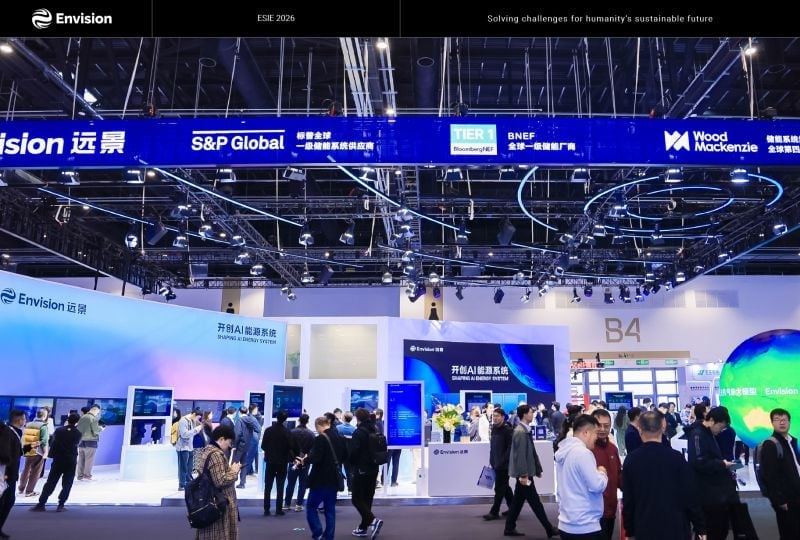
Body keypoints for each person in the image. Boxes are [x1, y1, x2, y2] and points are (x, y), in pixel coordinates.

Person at [622, 410, 707, 540]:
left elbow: (628, 500)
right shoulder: (676, 458)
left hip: (644, 527)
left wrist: (629, 531)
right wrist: (700, 526)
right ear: (663, 427)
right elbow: (690, 495)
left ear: (639, 429)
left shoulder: (631, 460)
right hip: (676, 527)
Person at [504, 404, 559, 538]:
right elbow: (520, 455)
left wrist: (535, 469)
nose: (532, 414)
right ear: (524, 414)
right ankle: (548, 528)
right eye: (530, 412)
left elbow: (529, 453)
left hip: (526, 473)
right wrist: (524, 475)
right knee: (535, 503)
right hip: (525, 475)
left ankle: (509, 527)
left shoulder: (523, 430)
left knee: (517, 502)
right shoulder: (520, 432)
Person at [687, 406, 737, 540]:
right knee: (709, 530)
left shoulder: (706, 433)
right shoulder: (698, 434)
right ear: (712, 420)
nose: (720, 431)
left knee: (720, 529)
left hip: (714, 491)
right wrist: (721, 464)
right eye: (720, 427)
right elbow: (698, 462)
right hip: (706, 493)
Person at [555, 414, 608, 539]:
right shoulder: (583, 453)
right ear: (586, 433)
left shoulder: (564, 451)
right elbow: (597, 486)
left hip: (566, 522)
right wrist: (602, 473)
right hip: (585, 525)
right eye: (595, 433)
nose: (597, 437)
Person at [299, 416, 347, 540]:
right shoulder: (340, 437)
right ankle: (329, 536)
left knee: (311, 507)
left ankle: (317, 531)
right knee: (330, 510)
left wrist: (305, 460)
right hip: (334, 479)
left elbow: (316, 458)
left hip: (320, 479)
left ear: (319, 426)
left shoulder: (321, 438)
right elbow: (345, 456)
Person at [759, 408, 800, 539]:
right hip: (786, 498)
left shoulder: (792, 441)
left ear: (789, 422)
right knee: (789, 533)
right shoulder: (771, 444)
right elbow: (770, 475)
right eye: (777, 420)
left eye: (784, 420)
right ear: (772, 423)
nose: (781, 423)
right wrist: (779, 500)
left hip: (797, 494)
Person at [195, 424, 242, 540]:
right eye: (228, 442)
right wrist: (234, 471)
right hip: (218, 502)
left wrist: (229, 470)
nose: (229, 446)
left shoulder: (207, 450)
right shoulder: (216, 454)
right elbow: (220, 481)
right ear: (221, 439)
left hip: (208, 500)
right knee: (219, 534)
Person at [31, 412, 82, 512]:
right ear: (77, 422)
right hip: (70, 460)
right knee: (67, 483)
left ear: (68, 419)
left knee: (51, 481)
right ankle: (61, 505)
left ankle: (41, 504)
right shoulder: (78, 433)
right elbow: (75, 444)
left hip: (58, 459)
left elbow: (54, 443)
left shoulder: (59, 430)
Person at [0, 410, 39, 539]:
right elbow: (5, 454)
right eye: (24, 418)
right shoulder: (8, 432)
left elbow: (16, 452)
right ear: (20, 419)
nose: (25, 421)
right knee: (6, 501)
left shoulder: (14, 432)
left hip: (10, 474)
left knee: (8, 501)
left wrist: (30, 447)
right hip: (6, 474)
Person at [349, 408, 383, 538]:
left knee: (356, 498)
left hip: (361, 469)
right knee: (367, 498)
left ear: (357, 418)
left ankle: (374, 521)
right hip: (373, 468)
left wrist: (351, 463)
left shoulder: (358, 432)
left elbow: (354, 452)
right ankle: (363, 528)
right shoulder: (374, 428)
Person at [261, 410, 293, 515]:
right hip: (283, 462)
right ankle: (279, 509)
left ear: (276, 418)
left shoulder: (268, 430)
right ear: (285, 419)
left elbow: (263, 446)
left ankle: (266, 509)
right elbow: (290, 447)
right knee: (280, 486)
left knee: (268, 486)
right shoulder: (288, 432)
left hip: (270, 462)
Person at [484, 407, 514, 521]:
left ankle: (494, 511)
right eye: (493, 416)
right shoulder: (494, 428)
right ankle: (513, 508)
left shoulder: (508, 429)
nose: (495, 418)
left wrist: (502, 461)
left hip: (504, 465)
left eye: (497, 416)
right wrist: (492, 460)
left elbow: (510, 448)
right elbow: (493, 447)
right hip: (495, 463)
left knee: (499, 488)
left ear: (502, 417)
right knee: (505, 487)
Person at [286, 414, 315, 512]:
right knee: (302, 484)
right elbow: (312, 450)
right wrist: (305, 458)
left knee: (290, 483)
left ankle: (287, 504)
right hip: (305, 463)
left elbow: (288, 448)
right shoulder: (311, 434)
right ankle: (299, 504)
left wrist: (294, 458)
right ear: (307, 421)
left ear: (299, 420)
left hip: (293, 461)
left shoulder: (291, 432)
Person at [18, 408, 49, 496]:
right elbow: (44, 441)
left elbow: (24, 437)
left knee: (26, 469)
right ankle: (29, 491)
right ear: (44, 415)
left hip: (27, 449)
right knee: (35, 472)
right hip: (37, 451)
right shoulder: (43, 426)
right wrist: (45, 452)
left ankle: (21, 488)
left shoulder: (28, 424)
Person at [176, 408, 204, 490]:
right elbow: (184, 434)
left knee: (189, 467)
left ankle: (188, 482)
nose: (197, 419)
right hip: (183, 448)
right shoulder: (183, 421)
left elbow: (192, 433)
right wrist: (197, 429)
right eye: (197, 417)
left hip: (190, 447)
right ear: (194, 414)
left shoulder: (192, 421)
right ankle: (181, 484)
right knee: (183, 467)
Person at [76, 404, 104, 481]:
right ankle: (87, 476)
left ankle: (80, 476)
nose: (97, 413)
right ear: (95, 409)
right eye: (98, 412)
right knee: (89, 459)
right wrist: (101, 429)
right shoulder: (93, 418)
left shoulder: (83, 417)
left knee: (81, 459)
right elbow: (95, 431)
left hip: (81, 441)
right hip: (91, 442)